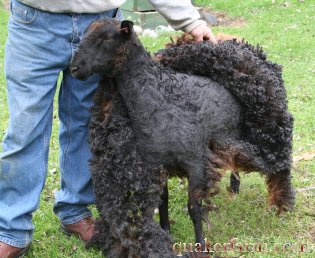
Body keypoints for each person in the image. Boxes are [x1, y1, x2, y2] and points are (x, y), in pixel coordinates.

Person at [0, 0, 216, 257]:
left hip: (105, 29)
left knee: (86, 125)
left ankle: (75, 210)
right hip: (36, 24)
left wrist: (190, 20)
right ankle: (12, 229)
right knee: (25, 130)